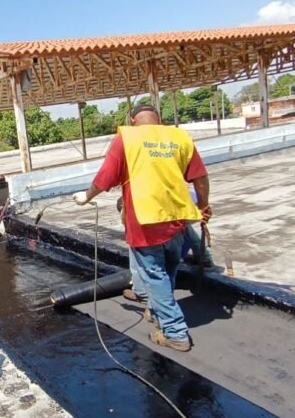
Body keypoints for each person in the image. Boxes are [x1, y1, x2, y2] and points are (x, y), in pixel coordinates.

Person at [73, 104, 211, 352]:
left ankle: (175, 332)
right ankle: (158, 314)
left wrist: (86, 196)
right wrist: (204, 205)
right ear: (159, 119)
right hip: (177, 219)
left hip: (145, 221)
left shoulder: (127, 137)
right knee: (168, 271)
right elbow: (200, 177)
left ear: (133, 120)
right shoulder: (179, 137)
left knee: (155, 277)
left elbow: (105, 177)